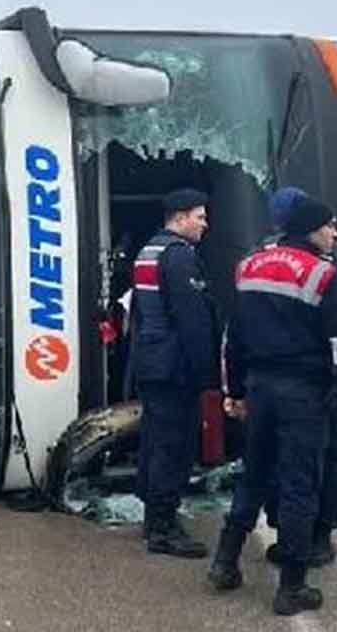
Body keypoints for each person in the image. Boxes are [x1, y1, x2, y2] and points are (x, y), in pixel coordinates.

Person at [207, 194, 337, 616]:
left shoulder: (249, 266)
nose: (335, 234)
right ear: (310, 229)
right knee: (300, 484)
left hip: (261, 390)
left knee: (255, 475)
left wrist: (235, 393)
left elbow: (234, 337)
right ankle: (292, 586)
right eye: (330, 226)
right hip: (303, 393)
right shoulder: (324, 273)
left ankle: (225, 562)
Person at [260, 187, 337, 569]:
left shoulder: (327, 257)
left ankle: (319, 534)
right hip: (317, 382)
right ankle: (297, 537)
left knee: (321, 459)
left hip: (321, 382)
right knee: (309, 461)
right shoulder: (328, 257)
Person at [131, 188, 222, 558]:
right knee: (174, 446)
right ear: (180, 217)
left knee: (155, 441)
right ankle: (163, 528)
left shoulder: (148, 250)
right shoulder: (179, 257)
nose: (205, 224)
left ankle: (153, 518)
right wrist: (208, 376)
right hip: (174, 366)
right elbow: (193, 321)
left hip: (151, 361)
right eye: (199, 217)